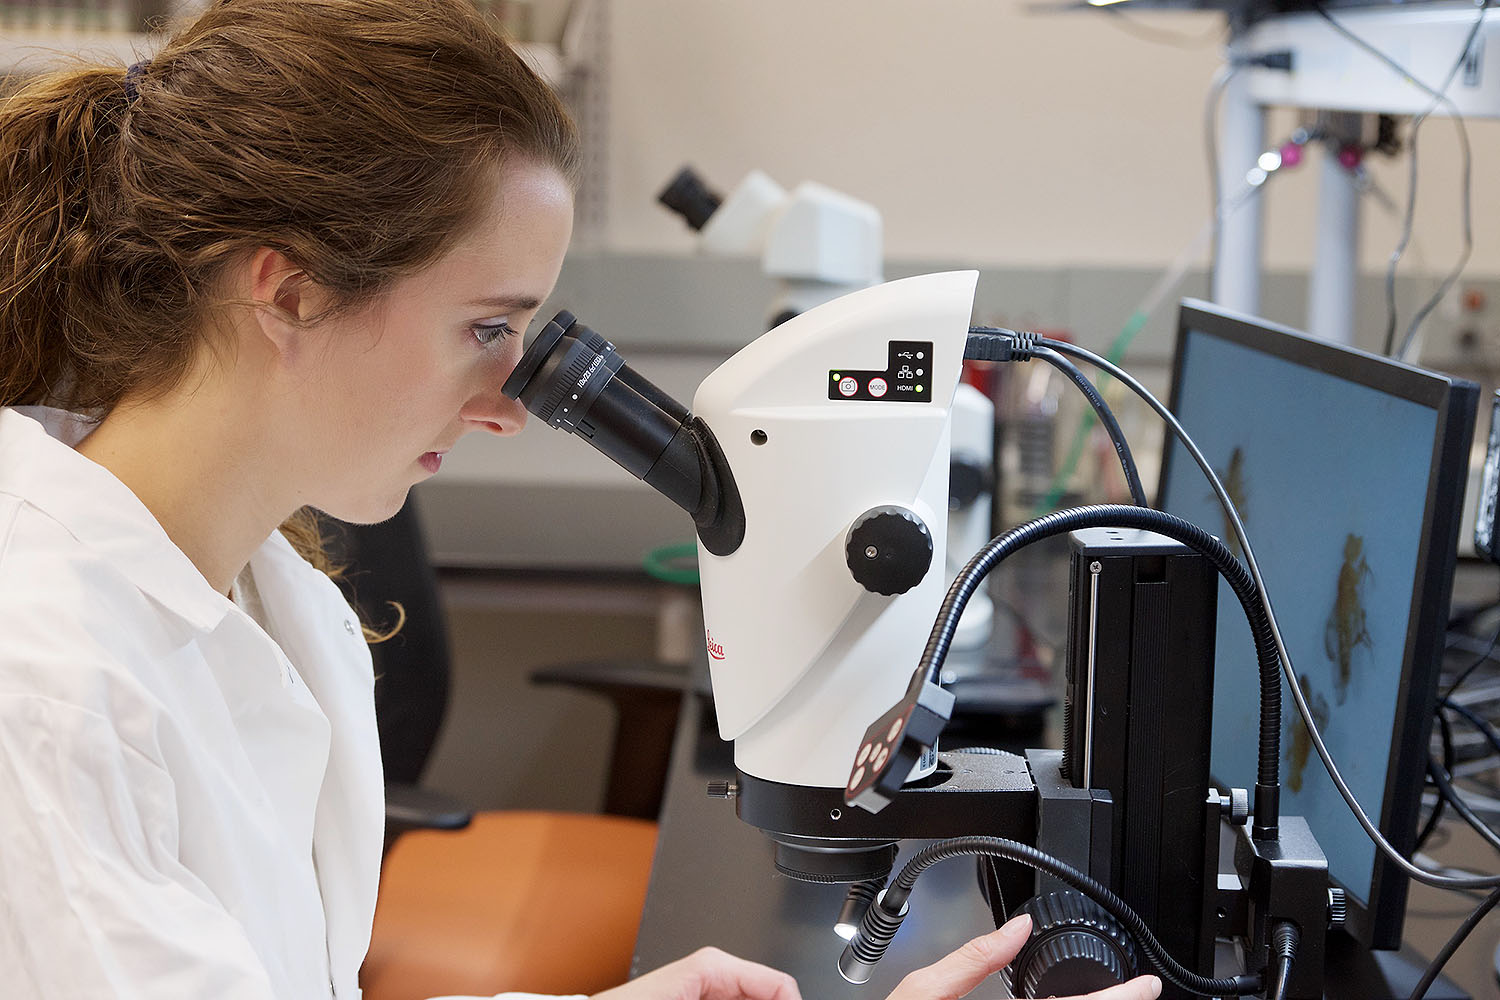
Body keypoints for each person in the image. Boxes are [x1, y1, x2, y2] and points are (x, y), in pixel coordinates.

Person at [0, 1, 1163, 998]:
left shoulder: (275, 592)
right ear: (291, 292)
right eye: (487, 329)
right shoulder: (46, 677)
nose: (511, 403)